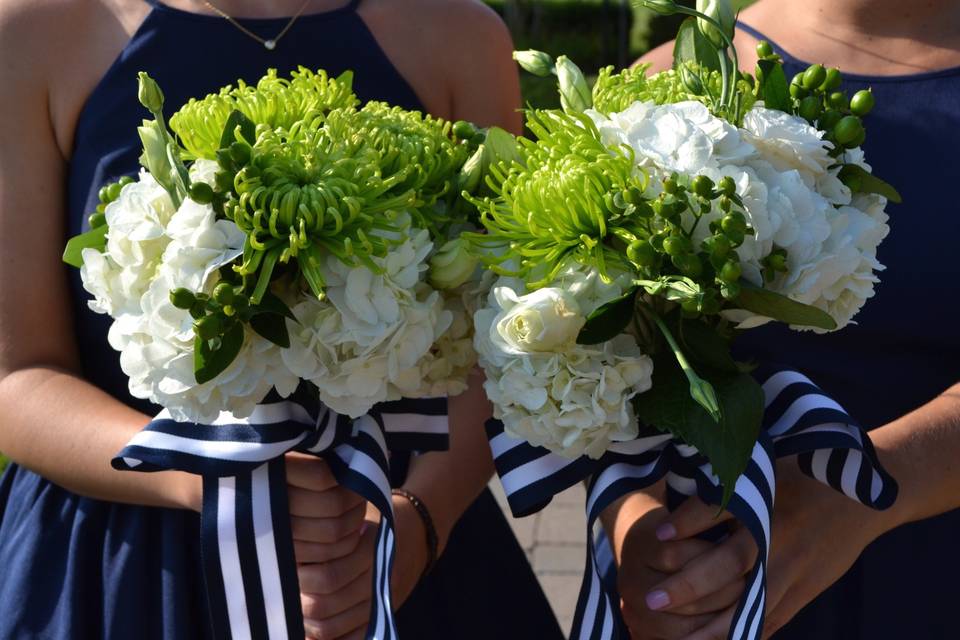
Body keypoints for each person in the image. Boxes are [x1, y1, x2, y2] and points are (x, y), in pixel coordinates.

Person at [0, 1, 564, 639]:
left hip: (384, 540)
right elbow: (18, 377)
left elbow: (509, 344)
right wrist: (208, 481)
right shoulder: (36, 32)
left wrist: (416, 523)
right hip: (129, 558)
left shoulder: (458, 33)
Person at [601, 0, 960, 638]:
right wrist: (637, 531)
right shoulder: (668, 85)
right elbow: (602, 367)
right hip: (699, 590)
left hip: (929, 574)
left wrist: (866, 491)